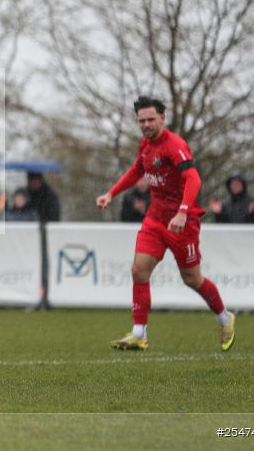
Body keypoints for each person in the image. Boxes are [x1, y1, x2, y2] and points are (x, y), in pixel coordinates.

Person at [96, 96, 234, 352]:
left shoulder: (174, 145)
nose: (146, 124)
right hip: (155, 220)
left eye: (150, 119)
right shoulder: (145, 146)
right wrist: (111, 193)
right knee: (139, 271)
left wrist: (182, 212)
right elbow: (137, 171)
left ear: (162, 118)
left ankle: (225, 318)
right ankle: (139, 333)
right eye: (141, 121)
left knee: (192, 279)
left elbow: (193, 179)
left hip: (183, 223)